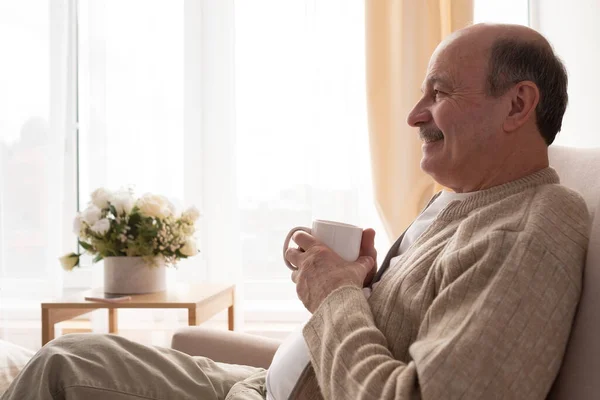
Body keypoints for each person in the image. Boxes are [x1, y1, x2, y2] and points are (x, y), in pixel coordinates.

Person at [1, 23, 590, 400]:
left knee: (60, 369)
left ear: (517, 104)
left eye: (439, 93)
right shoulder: (459, 202)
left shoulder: (533, 225)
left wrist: (335, 297)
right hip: (263, 387)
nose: (414, 115)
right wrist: (355, 281)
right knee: (64, 357)